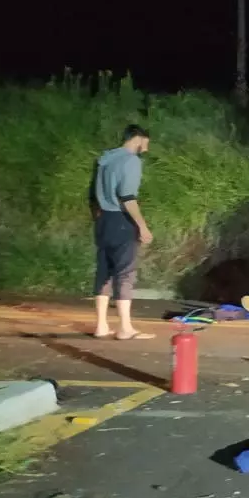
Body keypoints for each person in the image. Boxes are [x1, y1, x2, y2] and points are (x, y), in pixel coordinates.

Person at [88, 125, 155, 340]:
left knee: (104, 272)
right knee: (125, 272)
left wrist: (98, 218)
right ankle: (125, 328)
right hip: (121, 220)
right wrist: (142, 226)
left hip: (103, 220)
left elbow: (92, 195)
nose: (146, 148)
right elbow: (127, 197)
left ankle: (101, 326)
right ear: (138, 139)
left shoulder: (105, 160)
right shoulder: (130, 161)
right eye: (146, 143)